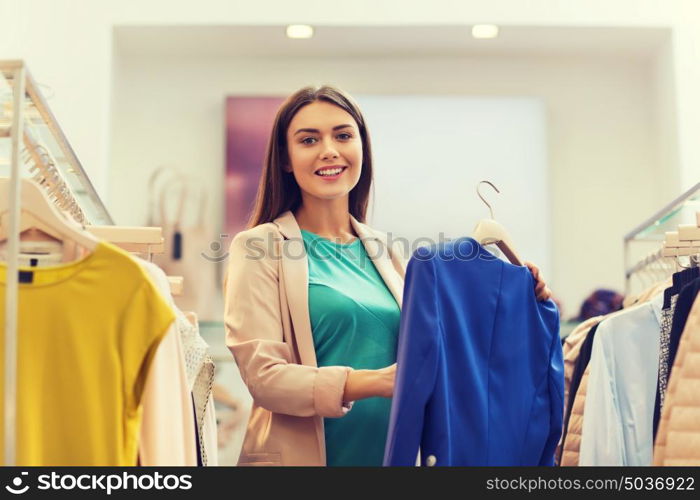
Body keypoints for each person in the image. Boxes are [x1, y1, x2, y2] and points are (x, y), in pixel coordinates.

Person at [223, 85, 552, 466]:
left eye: (343, 135)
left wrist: (517, 298)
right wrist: (378, 382)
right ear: (285, 158)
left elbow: (440, 344)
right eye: (309, 139)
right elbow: (266, 380)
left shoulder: (386, 250)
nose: (329, 149)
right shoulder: (260, 246)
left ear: (361, 147)